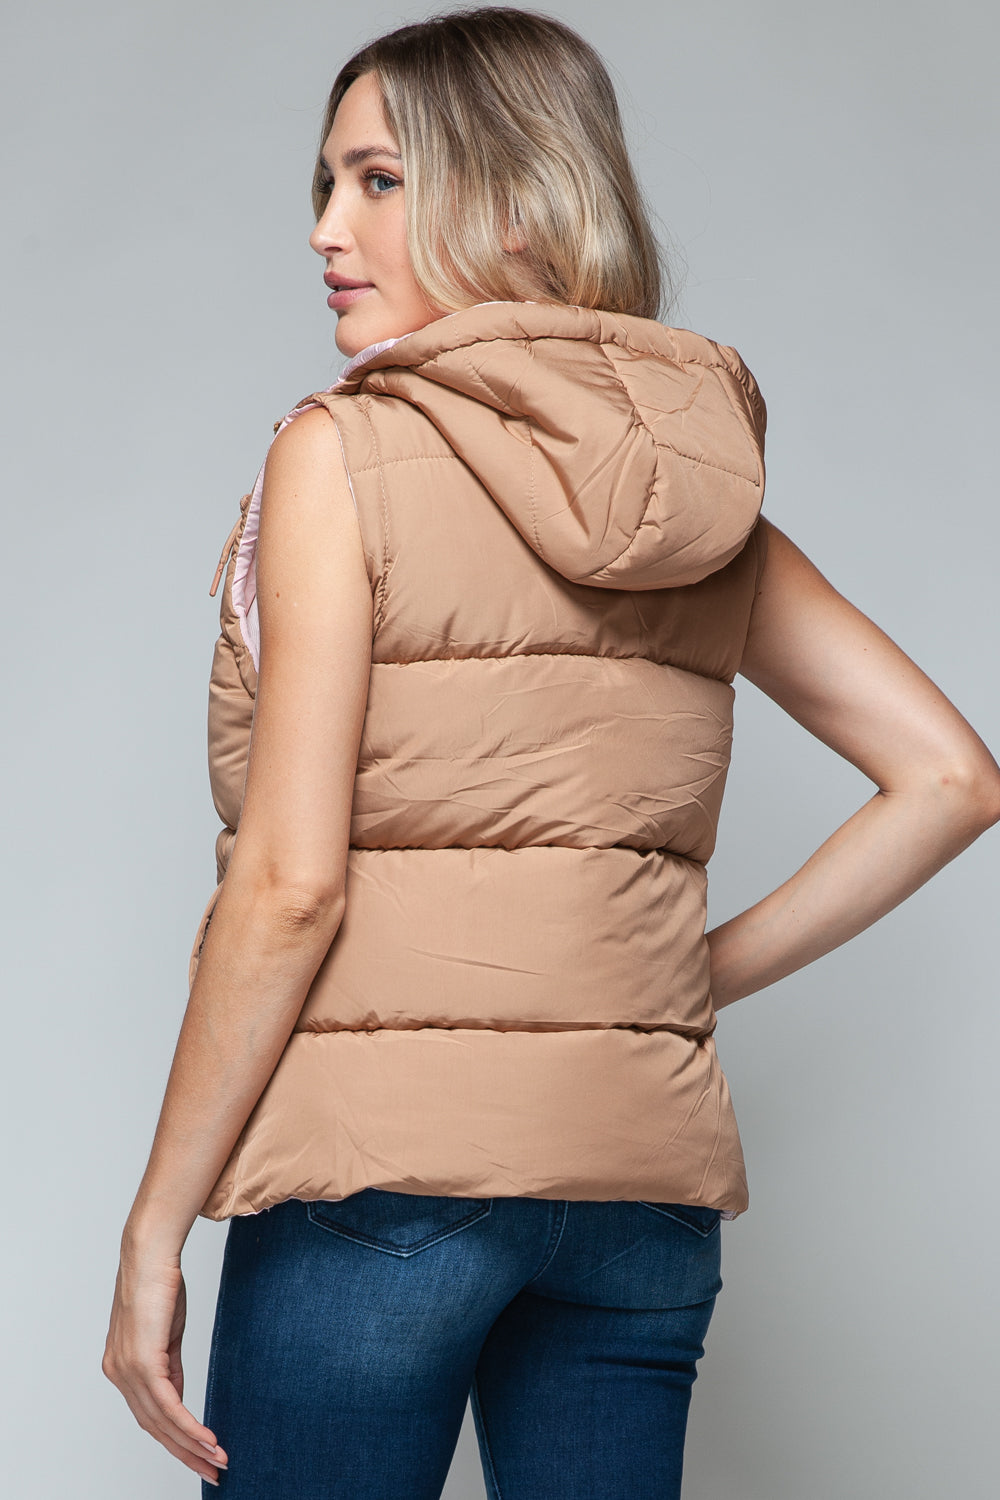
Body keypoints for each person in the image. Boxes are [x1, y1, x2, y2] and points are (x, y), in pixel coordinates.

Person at [101, 8, 1000, 1498]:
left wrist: (155, 1225)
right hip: (638, 1199)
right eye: (325, 183)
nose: (326, 228)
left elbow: (293, 887)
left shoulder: (342, 453)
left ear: (518, 202)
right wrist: (671, 984)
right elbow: (952, 780)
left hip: (381, 1185)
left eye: (379, 181)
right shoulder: (699, 496)